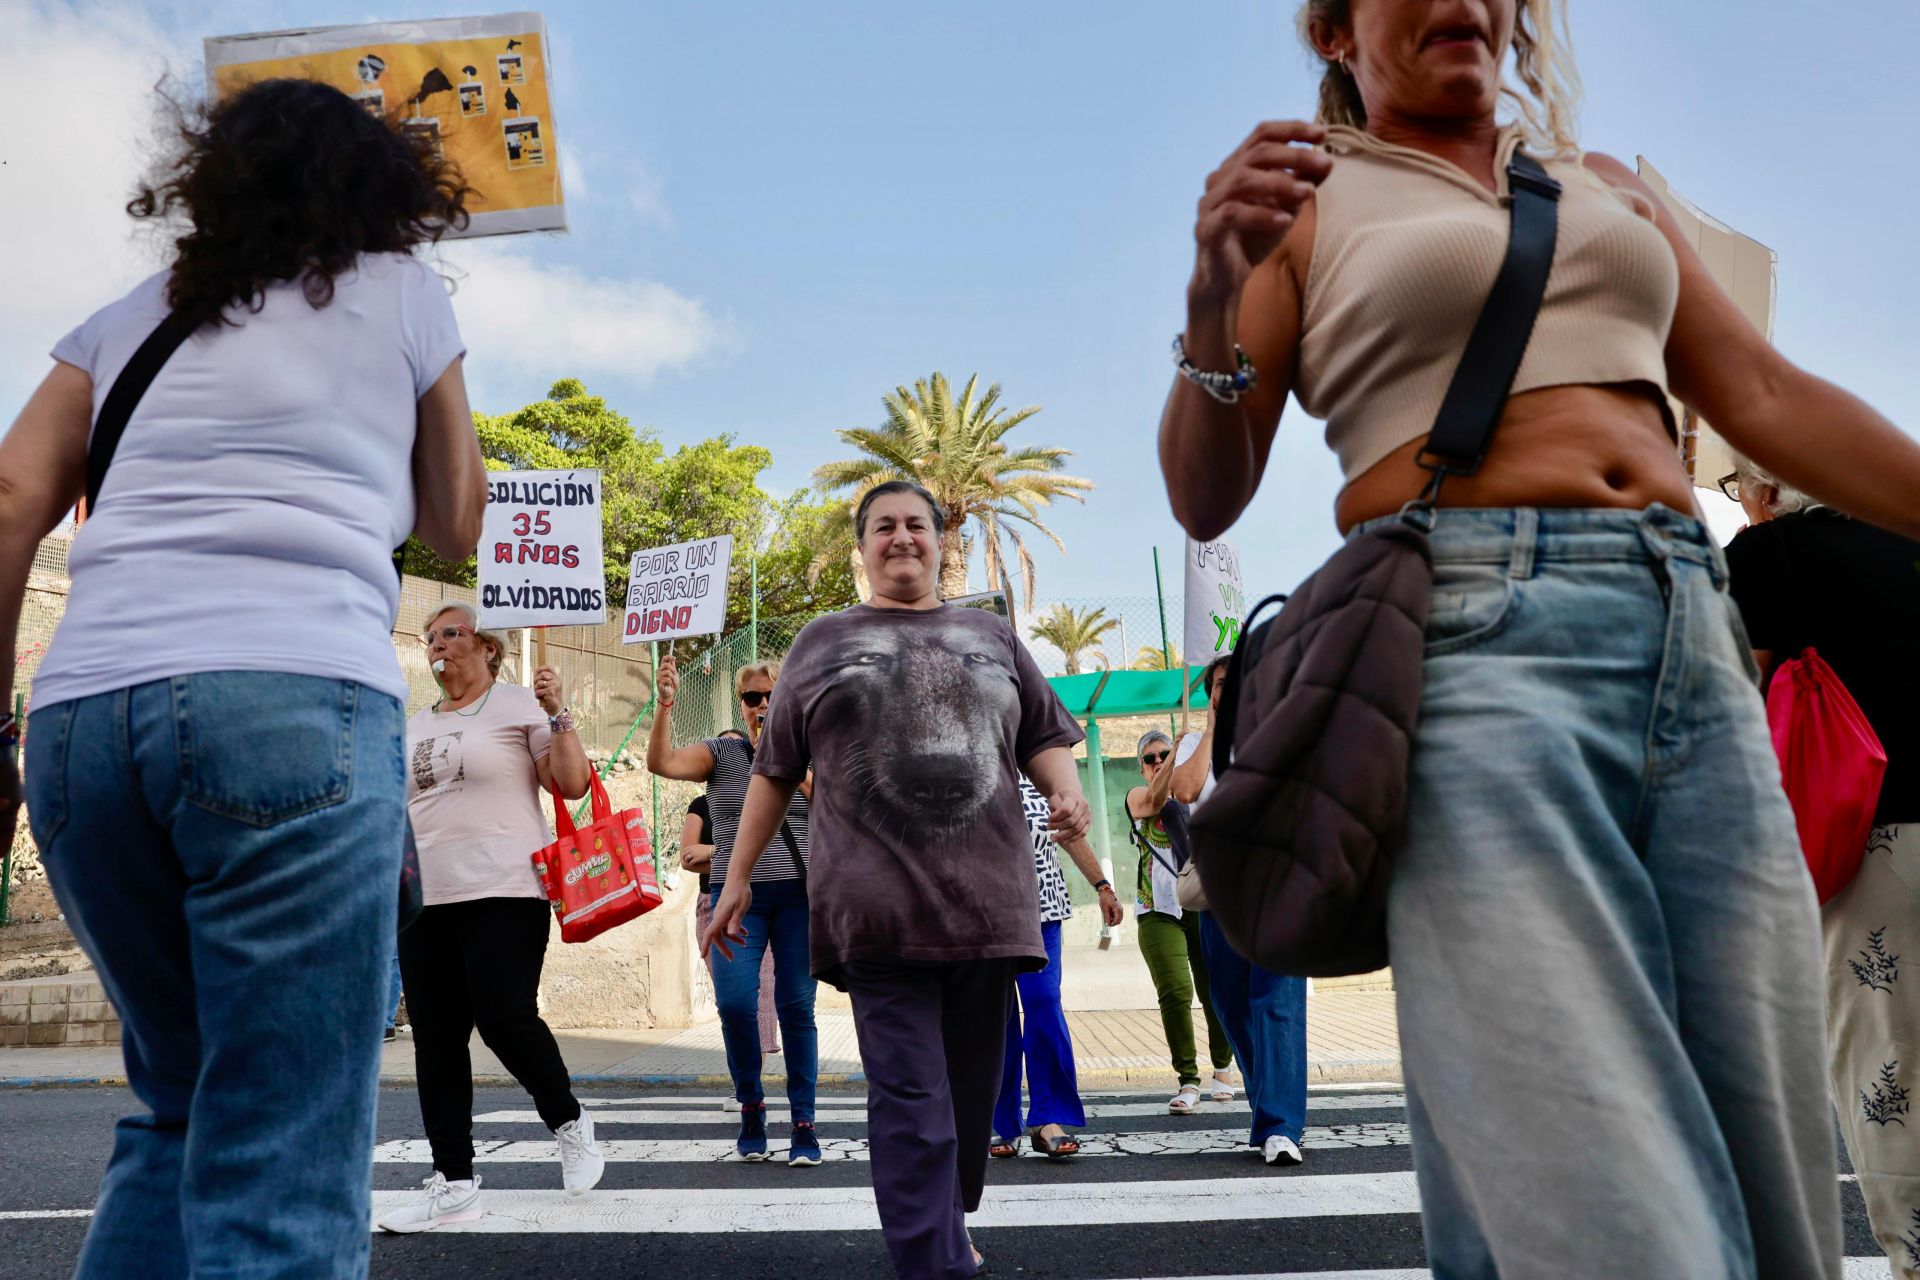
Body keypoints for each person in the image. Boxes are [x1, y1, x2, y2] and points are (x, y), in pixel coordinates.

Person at [1157, 2, 1920, 1272]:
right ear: (1337, 32)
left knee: (1770, 1173)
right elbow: (1204, 490)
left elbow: (1767, 397)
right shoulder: (1305, 201)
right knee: (1592, 1170)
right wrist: (1209, 299)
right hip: (1474, 643)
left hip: (1692, 634)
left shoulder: (1602, 186)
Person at [0, 78, 485, 1277]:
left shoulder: (127, 314)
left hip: (84, 724)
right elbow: (457, 519)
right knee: (283, 1141)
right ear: (382, 187)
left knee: (175, 1103)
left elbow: (13, 498)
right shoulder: (405, 294)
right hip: (290, 701)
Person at [704, 480, 1091, 1280]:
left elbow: (1046, 734)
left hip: (989, 912)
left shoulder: (992, 635)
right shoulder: (820, 642)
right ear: (863, 547)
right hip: (874, 917)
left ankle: (946, 1223)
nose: (902, 537)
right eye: (884, 526)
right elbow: (775, 772)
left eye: (917, 523)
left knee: (970, 1097)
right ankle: (936, 1261)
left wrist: (1066, 787)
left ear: (940, 541)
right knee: (914, 1104)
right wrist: (735, 878)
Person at [1722, 456, 1920, 1279]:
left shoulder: (1766, 556)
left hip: (1873, 842)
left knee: (1888, 1061)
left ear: (1765, 490)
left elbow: (1730, 691)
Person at [378, 603, 606, 1232]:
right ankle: (453, 1182)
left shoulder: (516, 705)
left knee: (504, 1018)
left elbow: (572, 783)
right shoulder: (413, 725)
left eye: (449, 633)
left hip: (506, 887)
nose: (436, 645)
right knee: (438, 1040)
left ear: (485, 645)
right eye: (429, 637)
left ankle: (568, 1120)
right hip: (425, 899)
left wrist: (558, 711)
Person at [650, 658, 819, 1163]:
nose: (763, 705)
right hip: (733, 897)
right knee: (737, 1005)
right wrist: (665, 706)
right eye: (752, 698)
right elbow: (663, 763)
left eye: (772, 696)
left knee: (795, 1008)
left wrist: (784, 756)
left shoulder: (810, 748)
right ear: (741, 705)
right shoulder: (722, 753)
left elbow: (831, 800)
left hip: (797, 896)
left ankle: (804, 1122)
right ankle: (751, 1105)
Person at [1171, 657, 1308, 1166]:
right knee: (1229, 1002)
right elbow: (1184, 791)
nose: (1230, 691)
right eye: (1221, 685)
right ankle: (1271, 1106)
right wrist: (1210, 728)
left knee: (1275, 1003)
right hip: (1219, 894)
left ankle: (1280, 1124)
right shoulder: (1192, 744)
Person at [990, 775, 1125, 1160]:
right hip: (987, 917)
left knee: (1044, 1005)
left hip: (1042, 914)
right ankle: (1004, 1122)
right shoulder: (972, 766)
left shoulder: (1040, 773)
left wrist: (1101, 886)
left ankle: (1048, 1118)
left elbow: (1068, 833)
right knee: (996, 1020)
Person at [1126, 731, 1235, 1114]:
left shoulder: (1194, 792)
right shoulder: (1137, 797)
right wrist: (1174, 762)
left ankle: (1223, 1068)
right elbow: (1155, 800)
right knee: (1175, 991)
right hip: (1156, 908)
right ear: (1141, 767)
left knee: (1213, 992)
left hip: (1200, 904)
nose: (1158, 761)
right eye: (1150, 758)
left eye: (1165, 754)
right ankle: (1188, 1079)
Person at [681, 729, 783, 1071]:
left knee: (763, 992)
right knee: (731, 1000)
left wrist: (717, 854)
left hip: (759, 900)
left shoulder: (766, 800)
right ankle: (743, 1075)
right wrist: (737, 853)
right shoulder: (701, 806)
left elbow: (772, 852)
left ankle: (752, 1074)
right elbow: (687, 856)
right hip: (712, 901)